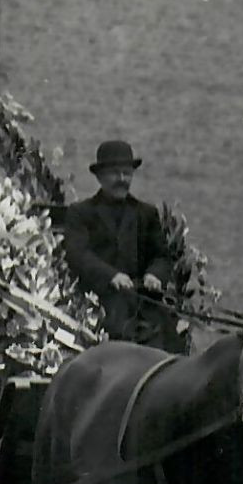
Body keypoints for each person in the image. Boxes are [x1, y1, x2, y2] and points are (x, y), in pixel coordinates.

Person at [61, 139, 176, 346]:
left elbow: (161, 255)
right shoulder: (81, 213)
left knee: (170, 347)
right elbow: (78, 254)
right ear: (99, 176)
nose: (122, 179)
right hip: (100, 303)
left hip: (144, 305)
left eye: (127, 173)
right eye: (115, 173)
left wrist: (154, 274)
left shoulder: (146, 213)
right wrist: (111, 275)